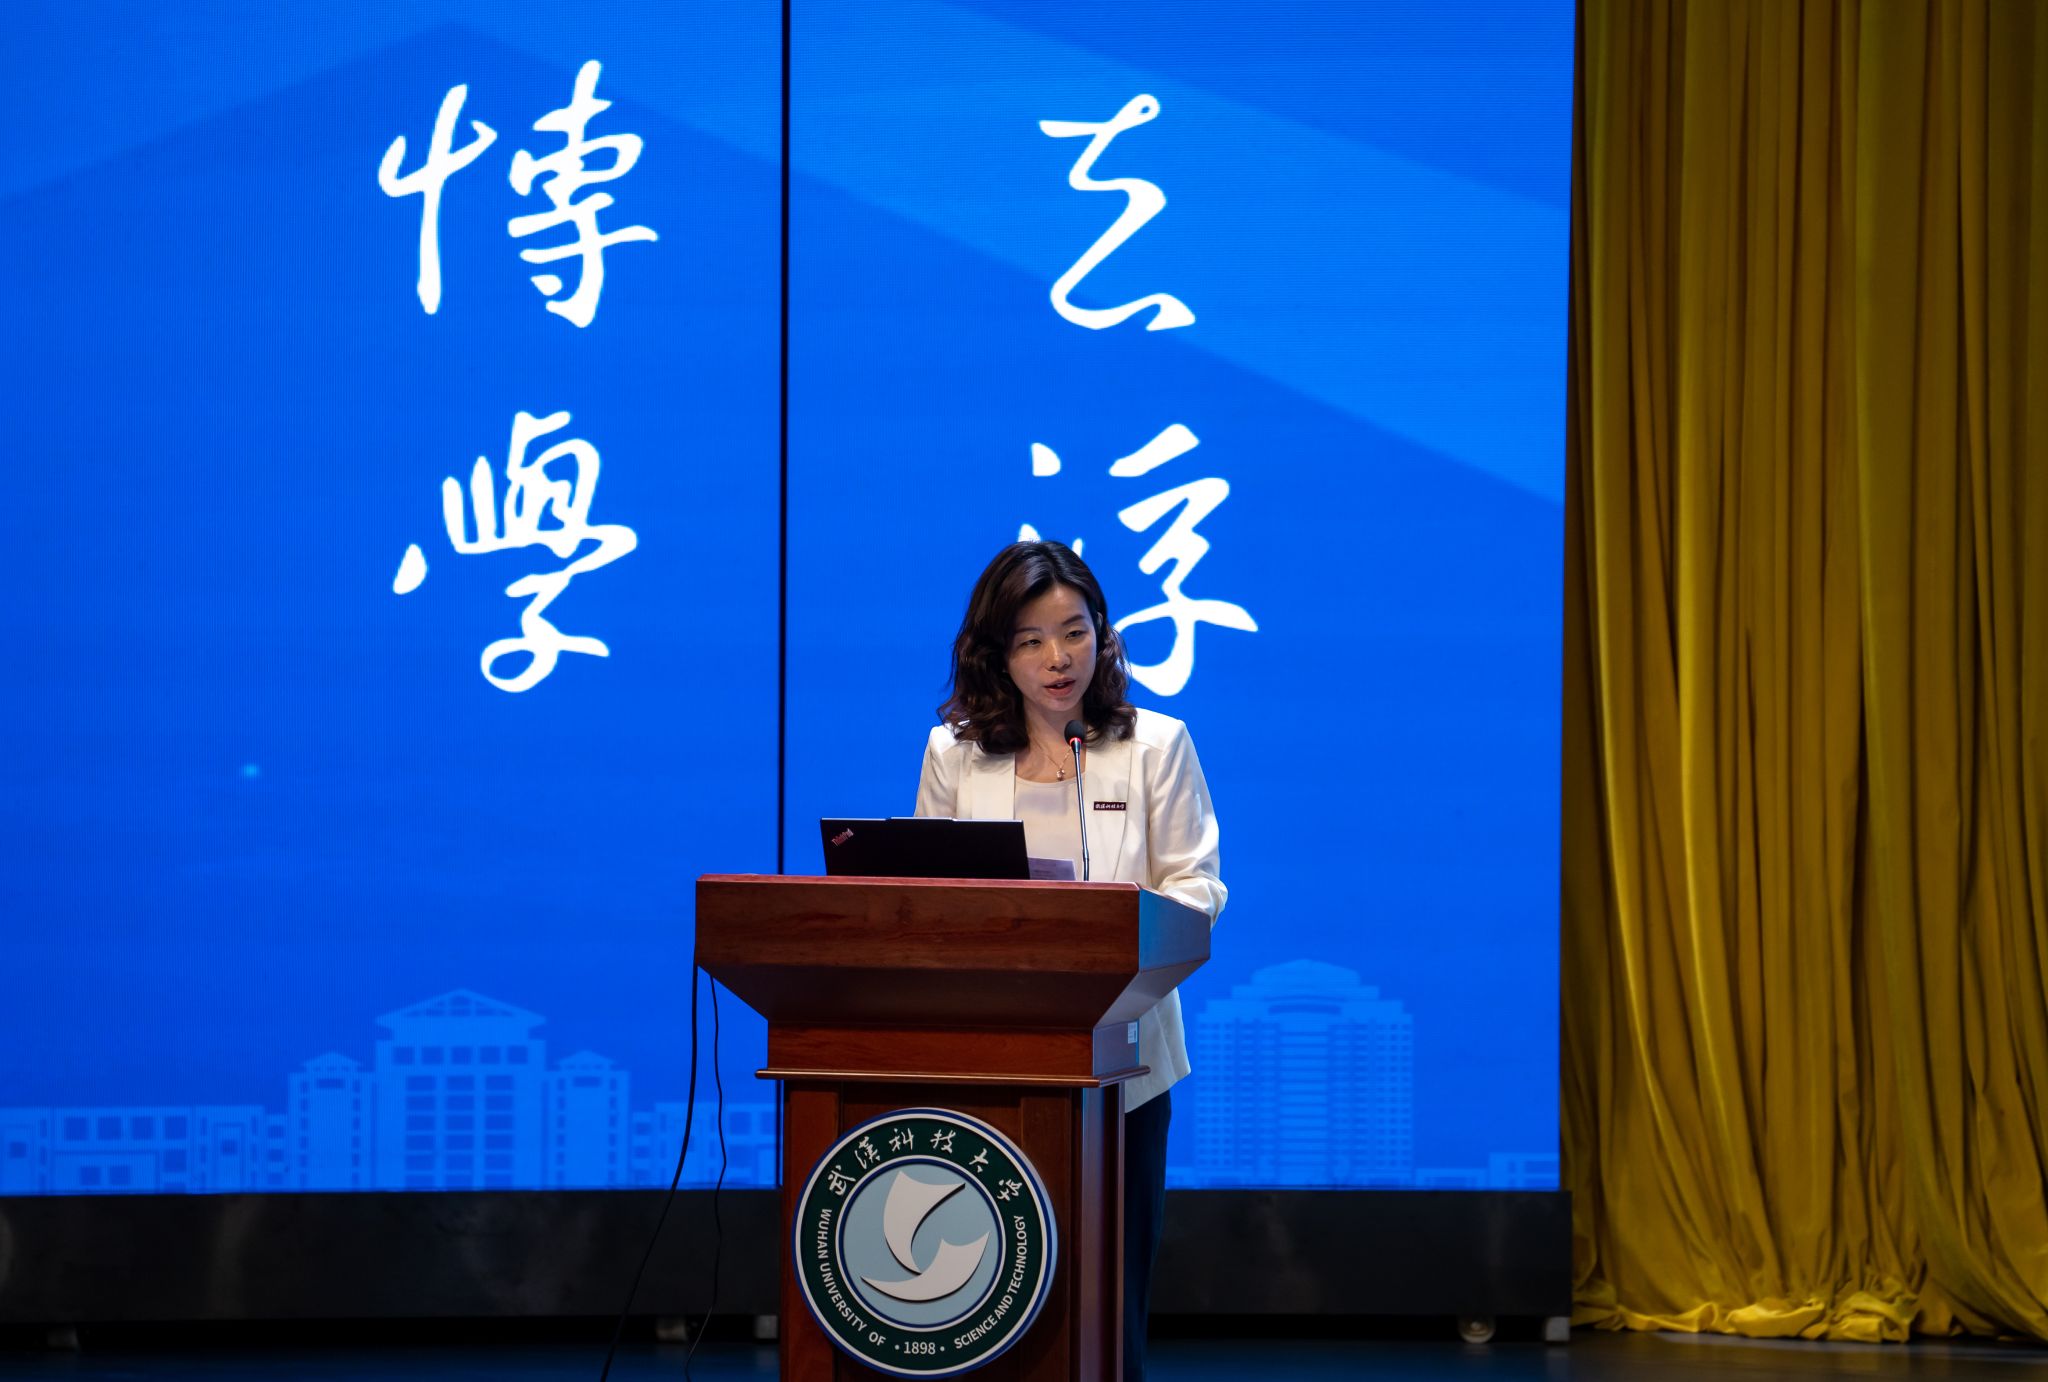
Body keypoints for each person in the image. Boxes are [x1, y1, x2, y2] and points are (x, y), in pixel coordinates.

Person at [914, 539, 1225, 1382]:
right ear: (996, 653)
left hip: (1127, 1059)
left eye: (1074, 632)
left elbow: (1197, 888)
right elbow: (926, 898)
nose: (1058, 659)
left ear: (1103, 635)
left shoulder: (1155, 745)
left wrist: (1124, 952)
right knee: (990, 1287)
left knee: (1108, 1294)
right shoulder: (954, 754)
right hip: (993, 1059)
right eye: (1031, 640)